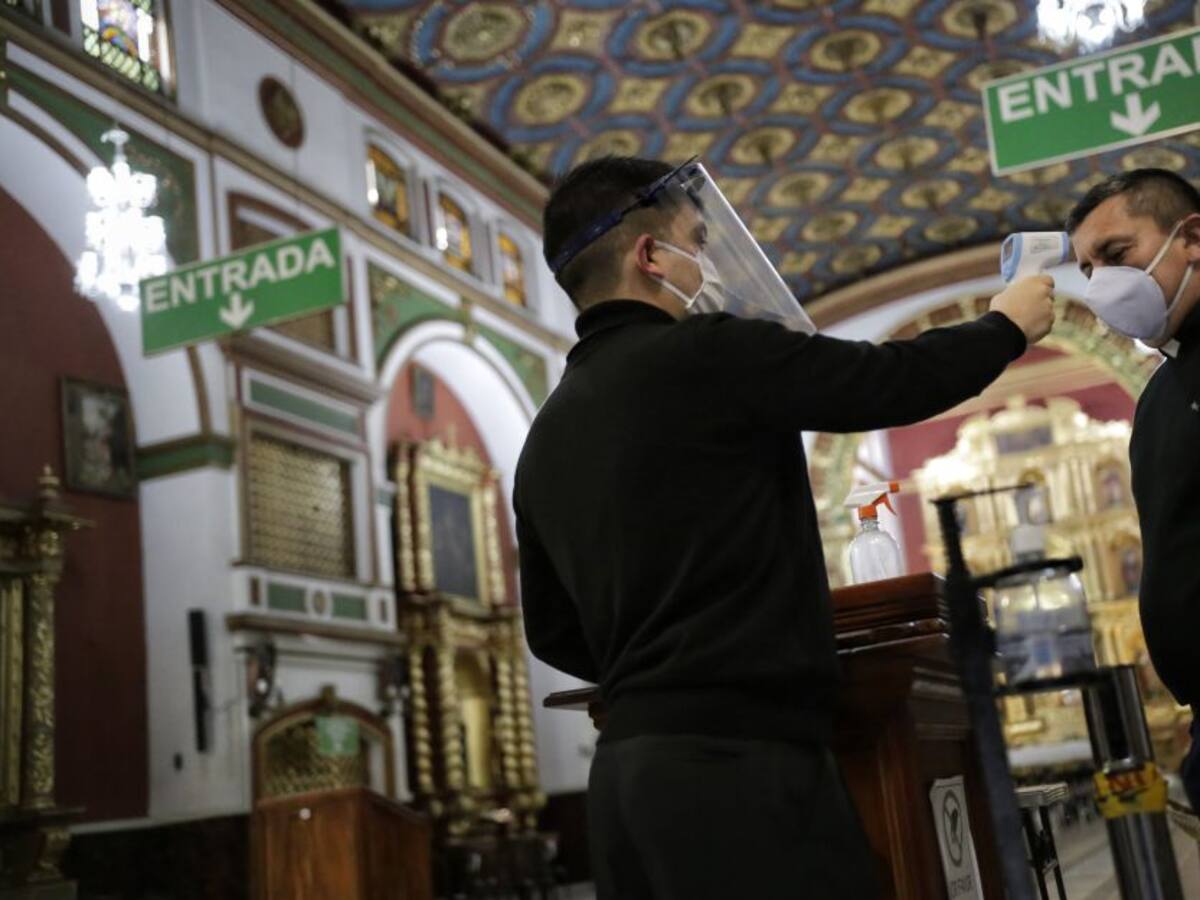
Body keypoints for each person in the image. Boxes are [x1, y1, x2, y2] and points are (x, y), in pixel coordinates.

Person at [514, 155, 1055, 900]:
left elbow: (551, 632)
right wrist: (1005, 327)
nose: (704, 262)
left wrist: (663, 660)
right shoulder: (710, 353)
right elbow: (888, 380)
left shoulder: (542, 438)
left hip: (624, 779)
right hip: (744, 768)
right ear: (650, 256)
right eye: (696, 242)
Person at [1066, 168, 1200, 813]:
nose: (1103, 285)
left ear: (1191, 238)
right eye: (1089, 271)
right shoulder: (1162, 394)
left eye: (1117, 256)